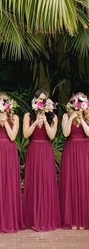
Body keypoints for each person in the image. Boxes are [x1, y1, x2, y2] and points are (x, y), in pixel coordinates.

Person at [22, 89, 61, 231]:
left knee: (46, 182)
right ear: (35, 101)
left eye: (45, 100)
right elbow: (26, 134)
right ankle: (33, 218)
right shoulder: (28, 115)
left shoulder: (53, 117)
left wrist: (44, 122)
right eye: (40, 100)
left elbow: (51, 136)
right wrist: (35, 122)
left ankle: (46, 218)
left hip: (46, 151)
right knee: (33, 182)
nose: (42, 103)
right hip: (33, 150)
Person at [0, 93, 23, 232]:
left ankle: (9, 219)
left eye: (4, 101)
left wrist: (6, 123)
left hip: (9, 151)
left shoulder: (15, 118)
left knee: (9, 183)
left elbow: (13, 137)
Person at [60, 92, 89, 229]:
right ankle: (72, 220)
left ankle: (83, 219)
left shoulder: (87, 116)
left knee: (84, 182)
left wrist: (82, 118)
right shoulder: (66, 116)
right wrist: (72, 118)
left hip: (84, 151)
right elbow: (65, 133)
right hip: (70, 150)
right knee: (71, 182)